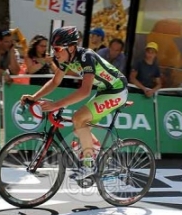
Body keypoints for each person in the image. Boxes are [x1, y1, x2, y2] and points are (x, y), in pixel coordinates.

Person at [21, 26, 128, 180]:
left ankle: (89, 165)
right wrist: (34, 96)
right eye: (53, 49)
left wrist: (56, 105)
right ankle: (94, 154)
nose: (54, 53)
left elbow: (85, 91)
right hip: (105, 90)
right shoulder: (66, 59)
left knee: (78, 118)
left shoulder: (86, 57)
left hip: (117, 90)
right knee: (79, 129)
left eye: (57, 49)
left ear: (71, 48)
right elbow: (55, 81)